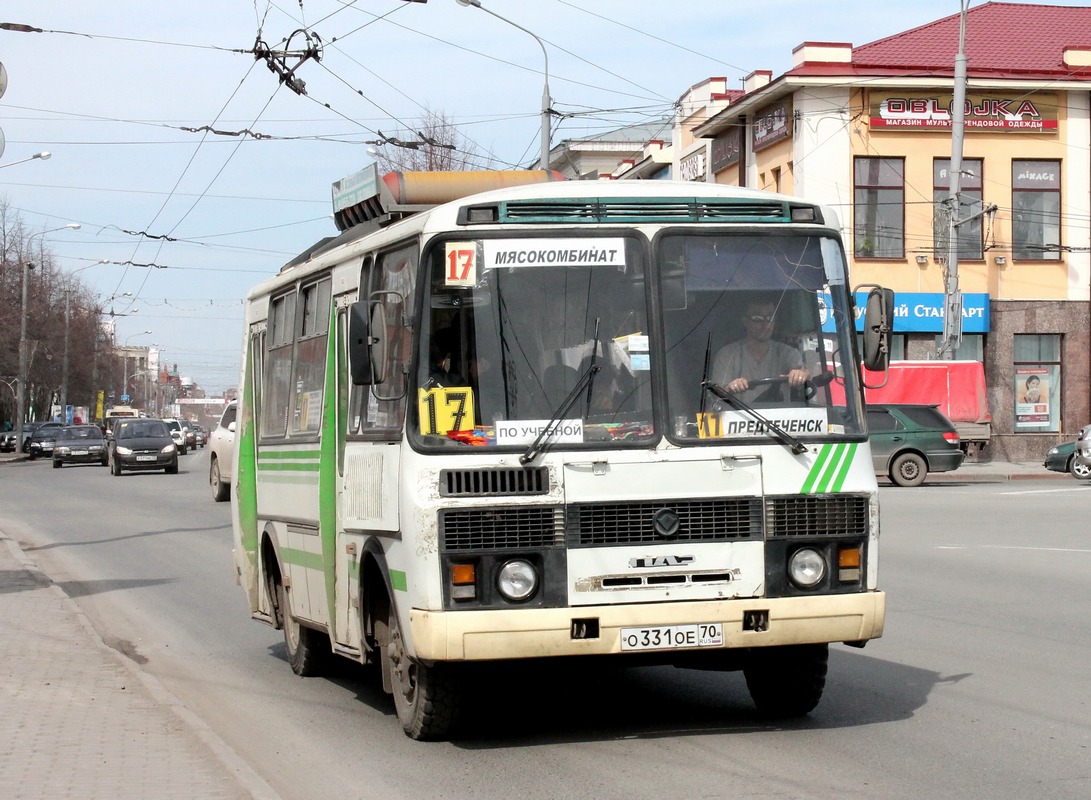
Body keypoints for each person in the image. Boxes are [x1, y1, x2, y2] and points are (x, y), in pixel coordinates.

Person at [712, 299, 808, 403]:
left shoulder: (787, 352)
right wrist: (730, 388)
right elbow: (717, 396)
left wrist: (800, 375)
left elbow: (804, 374)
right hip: (740, 418)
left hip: (781, 418)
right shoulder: (727, 354)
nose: (765, 325)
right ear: (745, 321)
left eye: (770, 318)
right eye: (757, 318)